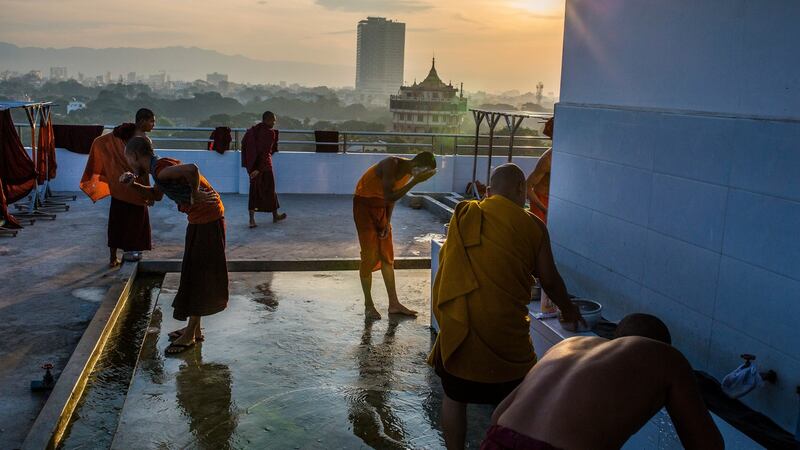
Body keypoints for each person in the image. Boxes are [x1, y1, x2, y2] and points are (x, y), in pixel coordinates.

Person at [428, 163, 583, 450]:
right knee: (516, 405)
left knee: (454, 397)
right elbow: (549, 279)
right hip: (507, 338)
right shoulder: (534, 226)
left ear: (488, 192)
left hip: (462, 329)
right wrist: (569, 309)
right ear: (522, 191)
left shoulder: (466, 215)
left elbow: (453, 268)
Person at [485, 314, 725, 450]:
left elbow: (498, 415)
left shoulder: (567, 345)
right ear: (663, 343)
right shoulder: (667, 357)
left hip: (498, 440)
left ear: (616, 337)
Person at [121, 137, 228, 355]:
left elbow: (192, 169)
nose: (129, 164)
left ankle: (191, 333)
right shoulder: (158, 169)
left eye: (128, 159)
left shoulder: (161, 170)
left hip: (208, 219)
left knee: (198, 274)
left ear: (135, 156)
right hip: (201, 219)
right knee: (192, 271)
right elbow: (154, 196)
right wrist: (133, 185)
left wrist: (195, 193)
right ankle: (193, 329)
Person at [353, 152, 437, 320]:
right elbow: (389, 195)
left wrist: (387, 222)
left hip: (382, 208)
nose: (422, 177)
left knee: (387, 256)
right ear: (416, 165)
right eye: (423, 173)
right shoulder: (391, 164)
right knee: (369, 256)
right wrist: (415, 181)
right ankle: (368, 305)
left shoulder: (408, 174)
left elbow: (391, 200)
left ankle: (394, 304)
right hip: (363, 205)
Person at [79, 108, 161, 267]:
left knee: (117, 224)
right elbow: (143, 169)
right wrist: (149, 193)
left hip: (119, 187)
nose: (153, 125)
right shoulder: (143, 141)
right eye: (152, 121)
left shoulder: (119, 134)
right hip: (135, 189)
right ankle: (132, 255)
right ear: (143, 121)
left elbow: (100, 142)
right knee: (136, 225)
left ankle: (112, 258)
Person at [242, 111, 286, 228]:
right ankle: (273, 216)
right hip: (264, 167)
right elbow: (265, 152)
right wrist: (259, 169)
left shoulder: (253, 131)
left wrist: (251, 167)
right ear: (267, 120)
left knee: (255, 192)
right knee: (269, 190)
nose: (274, 123)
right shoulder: (269, 133)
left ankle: (254, 220)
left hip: (253, 166)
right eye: (273, 120)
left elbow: (244, 145)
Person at [526, 117, 553, 224]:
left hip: (555, 202)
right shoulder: (547, 160)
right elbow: (527, 186)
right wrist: (544, 210)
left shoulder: (568, 157)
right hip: (542, 201)